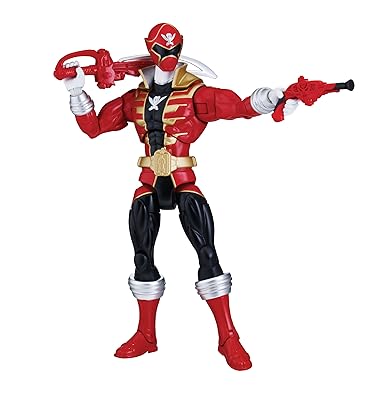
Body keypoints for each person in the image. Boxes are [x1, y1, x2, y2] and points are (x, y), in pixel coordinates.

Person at [62, 22, 298, 371]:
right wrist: (76, 92)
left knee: (208, 255)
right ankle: (146, 335)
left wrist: (270, 100)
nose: (167, 57)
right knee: (142, 258)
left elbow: (238, 107)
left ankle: (228, 337)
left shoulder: (195, 94)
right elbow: (94, 128)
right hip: (147, 180)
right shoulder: (134, 99)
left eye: (173, 50)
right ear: (150, 49)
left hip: (183, 178)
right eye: (161, 50)